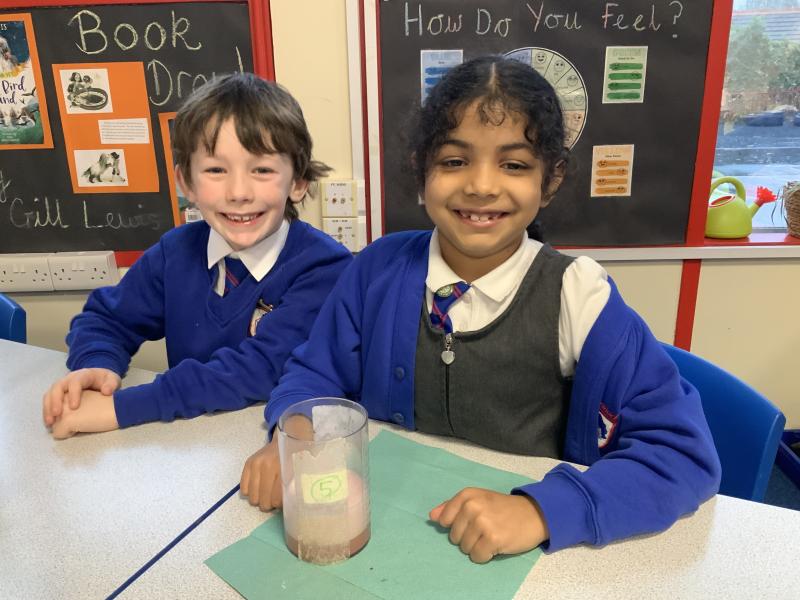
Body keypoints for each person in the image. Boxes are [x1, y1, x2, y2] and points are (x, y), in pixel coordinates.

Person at [239, 57, 721, 562]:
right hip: (388, 536)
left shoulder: (579, 295)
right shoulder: (376, 269)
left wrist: (543, 511)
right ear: (421, 170)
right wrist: (294, 432)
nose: (482, 186)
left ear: (551, 179)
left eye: (514, 165)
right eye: (454, 161)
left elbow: (681, 453)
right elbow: (314, 373)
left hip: (525, 559)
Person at [42, 73, 352, 439]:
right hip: (189, 444)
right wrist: (98, 366)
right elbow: (107, 319)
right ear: (187, 183)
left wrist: (122, 408)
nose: (238, 192)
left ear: (298, 182)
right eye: (216, 170)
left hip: (272, 444)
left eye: (262, 170)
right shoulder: (175, 252)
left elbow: (260, 369)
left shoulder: (325, 268)